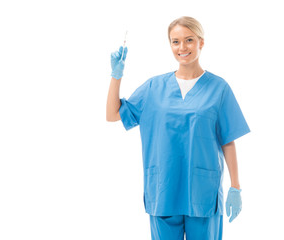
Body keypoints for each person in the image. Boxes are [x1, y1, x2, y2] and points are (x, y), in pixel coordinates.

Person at [106, 16, 250, 240]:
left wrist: (236, 187)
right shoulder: (154, 87)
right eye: (175, 41)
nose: (182, 47)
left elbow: (228, 140)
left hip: (202, 192)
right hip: (163, 190)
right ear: (170, 45)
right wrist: (116, 76)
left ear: (201, 42)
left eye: (189, 40)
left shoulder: (218, 88)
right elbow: (113, 114)